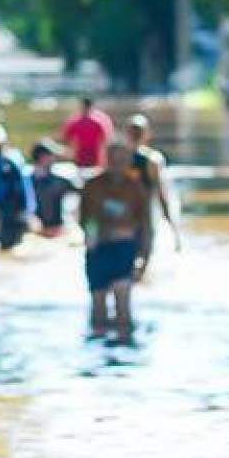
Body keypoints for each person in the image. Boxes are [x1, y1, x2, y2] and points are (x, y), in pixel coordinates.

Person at [78, 142, 149, 340]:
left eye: (122, 160)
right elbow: (84, 219)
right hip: (98, 251)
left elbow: (145, 227)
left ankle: (124, 349)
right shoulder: (92, 186)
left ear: (128, 161)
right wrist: (92, 236)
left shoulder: (136, 188)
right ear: (105, 160)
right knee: (98, 308)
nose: (117, 164)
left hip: (124, 250)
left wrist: (144, 259)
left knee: (122, 306)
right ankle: (98, 350)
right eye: (113, 159)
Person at [124, 113, 183, 276]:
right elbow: (161, 193)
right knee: (143, 259)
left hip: (123, 215)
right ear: (147, 134)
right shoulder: (153, 160)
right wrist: (173, 228)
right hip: (144, 216)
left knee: (127, 262)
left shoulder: (117, 157)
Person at [0, 123, 33, 252]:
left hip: (10, 216)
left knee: (7, 249)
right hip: (20, 214)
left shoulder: (2, 164)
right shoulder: (15, 156)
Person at [29, 140, 78, 238]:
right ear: (42, 157)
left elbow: (82, 196)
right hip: (35, 232)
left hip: (58, 232)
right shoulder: (26, 183)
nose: (54, 159)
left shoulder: (61, 182)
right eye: (51, 155)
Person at [60, 96, 114, 171]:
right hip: (85, 159)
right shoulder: (100, 121)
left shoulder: (76, 122)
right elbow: (107, 140)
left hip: (91, 160)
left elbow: (65, 138)